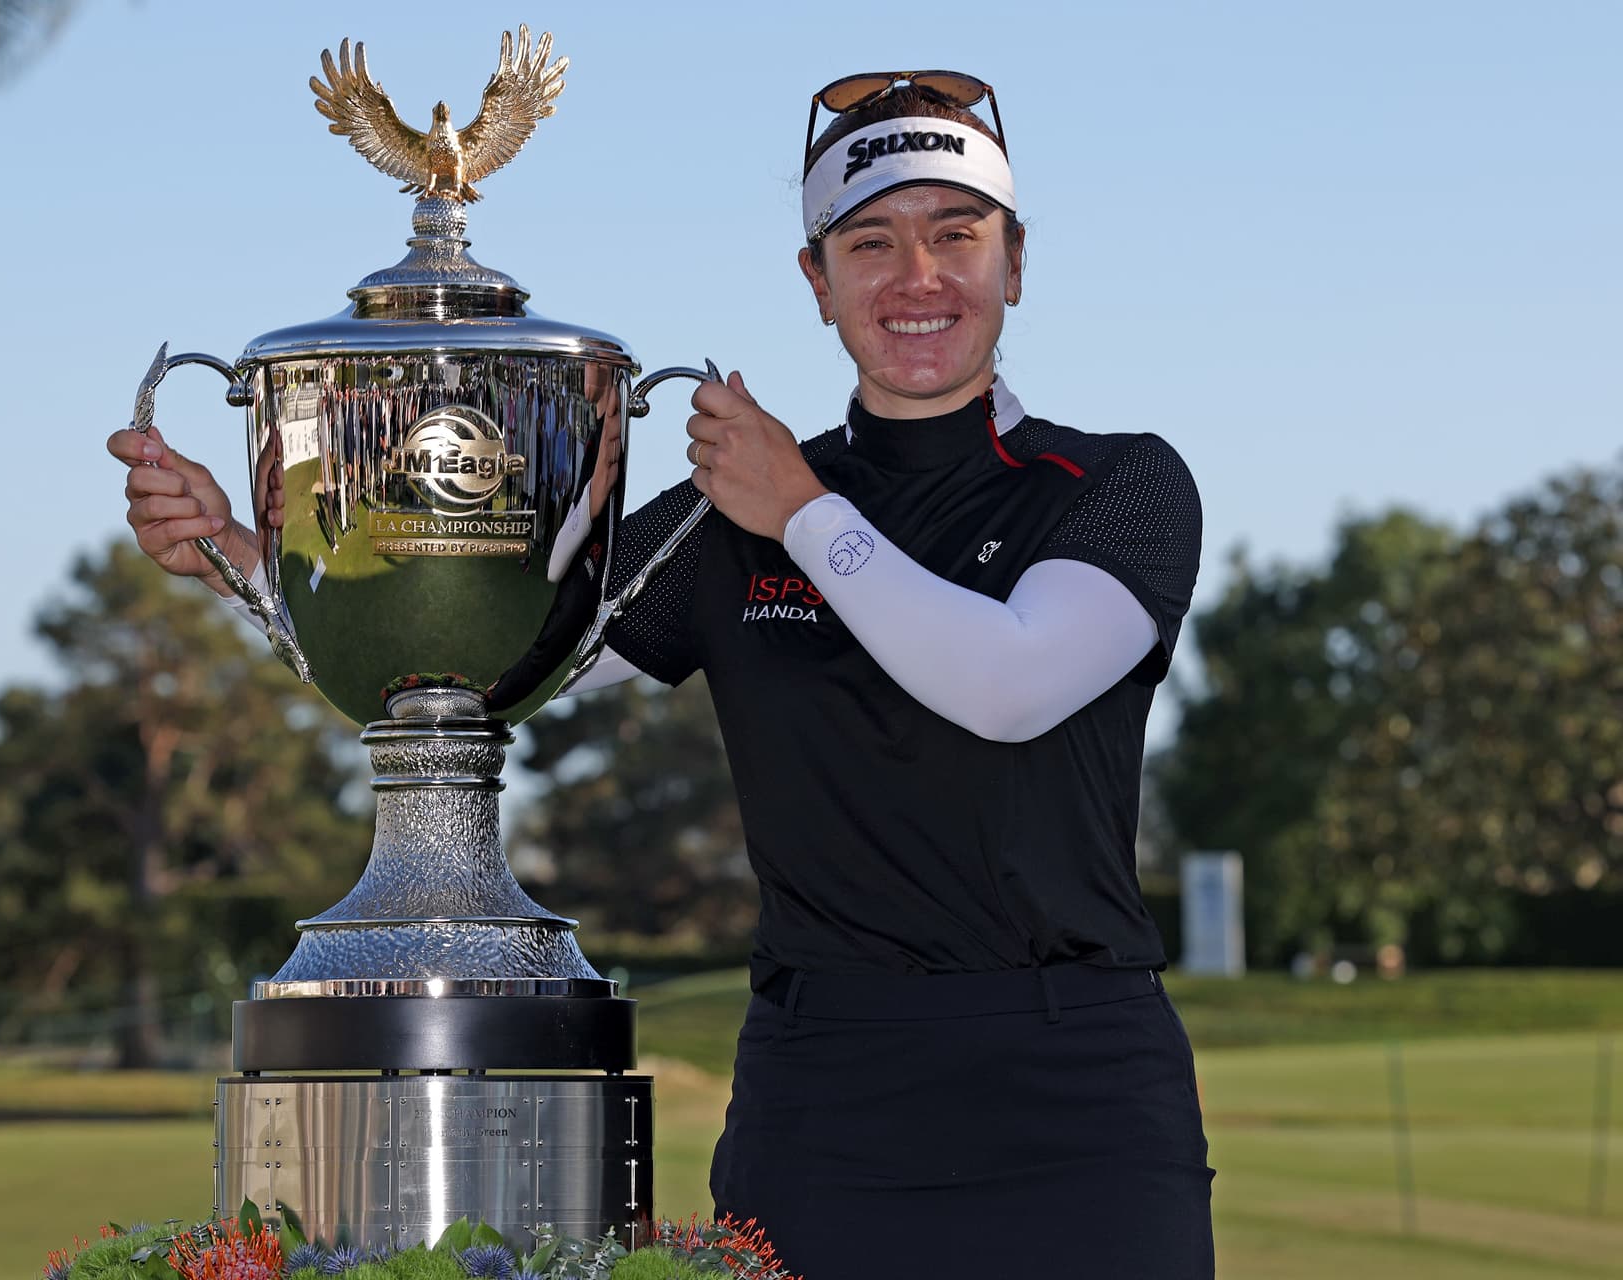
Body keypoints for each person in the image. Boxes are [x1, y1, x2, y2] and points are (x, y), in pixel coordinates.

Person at [108, 69, 1210, 1279]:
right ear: (818, 282)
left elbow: (1012, 686)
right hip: (824, 1092)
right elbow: (474, 656)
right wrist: (249, 554)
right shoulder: (728, 513)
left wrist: (805, 515)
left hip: (1079, 1094)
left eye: (958, 235)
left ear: (1014, 261)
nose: (918, 278)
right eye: (872, 241)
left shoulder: (1116, 487)